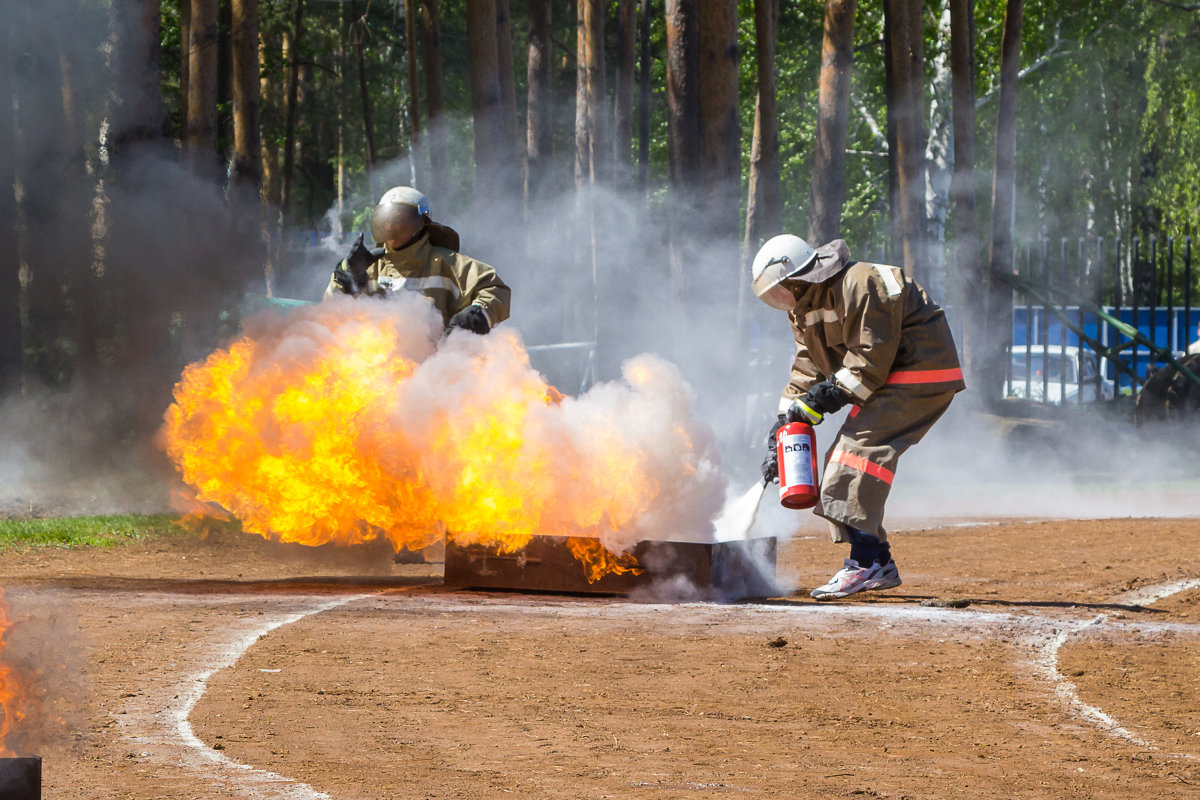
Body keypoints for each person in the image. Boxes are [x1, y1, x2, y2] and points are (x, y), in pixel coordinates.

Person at [753, 234, 965, 600]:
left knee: (855, 453)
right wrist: (784, 423)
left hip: (918, 372)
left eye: (781, 289)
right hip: (886, 380)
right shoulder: (802, 309)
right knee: (846, 454)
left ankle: (865, 563)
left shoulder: (862, 283)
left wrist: (821, 401)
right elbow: (807, 368)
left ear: (799, 275)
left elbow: (869, 359)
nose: (780, 299)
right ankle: (876, 561)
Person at [325, 186, 511, 334]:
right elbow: (329, 312)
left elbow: (497, 290)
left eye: (399, 221)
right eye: (386, 221)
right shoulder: (369, 267)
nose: (391, 228)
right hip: (378, 372)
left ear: (421, 223)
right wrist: (345, 277)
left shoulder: (447, 263)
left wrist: (476, 316)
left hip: (435, 371)